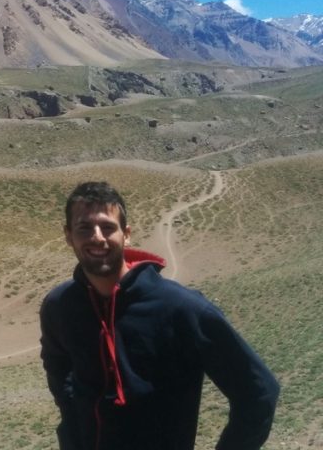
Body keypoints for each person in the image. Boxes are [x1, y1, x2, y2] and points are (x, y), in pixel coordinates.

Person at [39, 181, 279, 450]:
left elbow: (258, 391)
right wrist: (73, 424)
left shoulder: (182, 309)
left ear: (126, 234)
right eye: (84, 228)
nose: (97, 237)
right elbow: (58, 367)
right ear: (68, 235)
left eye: (108, 227)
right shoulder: (60, 306)